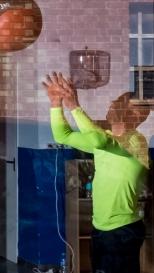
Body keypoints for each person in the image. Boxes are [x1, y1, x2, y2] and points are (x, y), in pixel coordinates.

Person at [42, 72, 151, 273]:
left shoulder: (136, 142)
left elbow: (100, 141)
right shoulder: (105, 140)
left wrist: (74, 106)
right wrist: (56, 103)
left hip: (123, 231)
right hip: (100, 228)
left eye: (121, 101)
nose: (112, 101)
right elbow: (63, 135)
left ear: (135, 114)